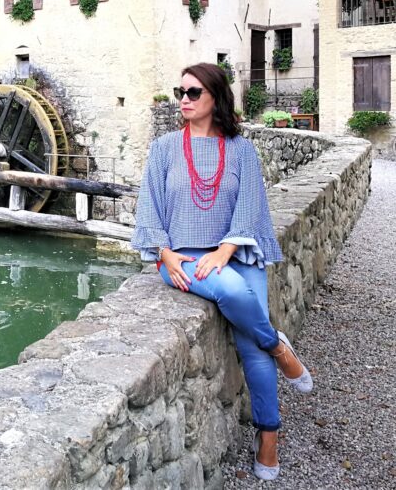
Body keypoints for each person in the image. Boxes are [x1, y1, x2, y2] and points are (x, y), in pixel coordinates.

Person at [131, 62, 313, 480]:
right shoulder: (163, 149)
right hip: (184, 259)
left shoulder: (242, 150)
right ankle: (281, 347)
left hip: (235, 248)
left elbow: (251, 205)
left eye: (194, 93)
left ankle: (269, 434)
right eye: (180, 92)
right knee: (233, 293)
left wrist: (226, 248)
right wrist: (166, 253)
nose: (184, 100)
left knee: (251, 345)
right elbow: (149, 207)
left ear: (216, 97)